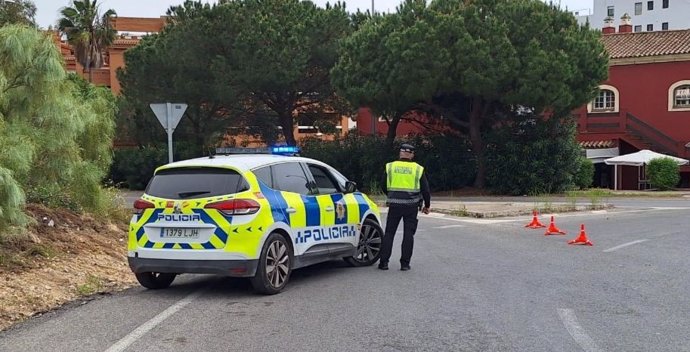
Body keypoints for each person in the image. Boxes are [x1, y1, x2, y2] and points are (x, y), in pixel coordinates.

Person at [378, 143, 430, 271]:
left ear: (400, 153)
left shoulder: (390, 166)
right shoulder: (418, 169)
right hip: (411, 205)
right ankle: (405, 264)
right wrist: (427, 205)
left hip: (394, 204)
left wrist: (390, 195)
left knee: (389, 233)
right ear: (412, 154)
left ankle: (384, 263)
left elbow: (383, 185)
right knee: (408, 234)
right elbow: (425, 189)